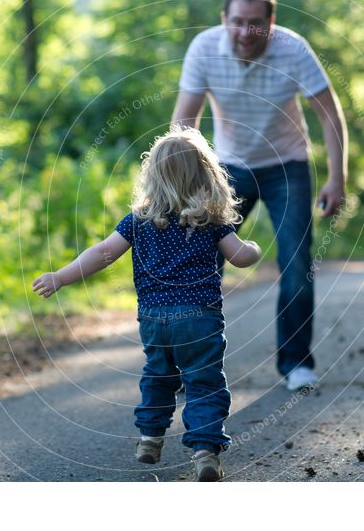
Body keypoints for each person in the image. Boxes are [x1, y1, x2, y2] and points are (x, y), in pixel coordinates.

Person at [32, 126, 261, 481]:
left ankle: (150, 437)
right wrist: (255, 249)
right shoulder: (211, 221)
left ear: (151, 176)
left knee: (158, 375)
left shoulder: (138, 221)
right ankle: (205, 451)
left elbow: (102, 254)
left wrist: (60, 277)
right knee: (204, 382)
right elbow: (240, 258)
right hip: (199, 318)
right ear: (207, 175)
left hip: (154, 319)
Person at [171, 0, 348, 391]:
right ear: (223, 21)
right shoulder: (204, 48)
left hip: (288, 166)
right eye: (237, 23)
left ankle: (296, 363)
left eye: (255, 24)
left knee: (296, 262)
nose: (245, 32)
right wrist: (184, 183)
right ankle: (189, 365)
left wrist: (337, 179)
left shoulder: (293, 50)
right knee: (199, 259)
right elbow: (184, 123)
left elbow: (330, 116)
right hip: (227, 167)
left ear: (271, 24)